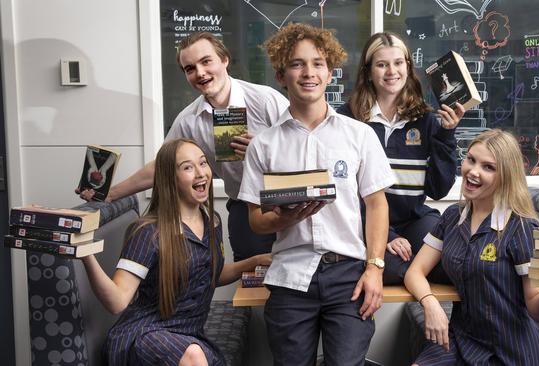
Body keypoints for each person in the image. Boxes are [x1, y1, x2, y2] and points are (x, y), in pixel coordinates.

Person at [238, 23, 395, 366]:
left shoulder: (359, 135)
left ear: (330, 72)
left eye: (318, 63)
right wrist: (284, 217)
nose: (308, 72)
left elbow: (377, 205)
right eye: (297, 64)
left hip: (349, 277)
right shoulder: (263, 145)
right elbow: (255, 222)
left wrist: (375, 268)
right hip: (289, 277)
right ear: (281, 75)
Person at [78, 32, 289, 261]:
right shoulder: (189, 120)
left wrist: (263, 150)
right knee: (251, 286)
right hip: (244, 209)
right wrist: (110, 194)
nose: (200, 73)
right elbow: (162, 165)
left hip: (289, 201)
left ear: (225, 60)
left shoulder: (266, 100)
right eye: (190, 68)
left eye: (206, 61)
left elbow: (303, 150)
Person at [80, 138, 271, 366]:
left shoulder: (212, 222)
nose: (201, 173)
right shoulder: (148, 232)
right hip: (145, 337)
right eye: (188, 167)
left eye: (203, 163)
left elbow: (208, 275)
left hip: (189, 335)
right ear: (169, 178)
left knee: (194, 353)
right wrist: (86, 255)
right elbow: (117, 302)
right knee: (193, 356)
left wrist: (256, 261)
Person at [404, 129, 539, 365]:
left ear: (506, 176)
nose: (473, 172)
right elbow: (414, 272)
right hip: (461, 339)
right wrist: (430, 303)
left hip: (511, 349)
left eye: (488, 167)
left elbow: (536, 310)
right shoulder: (452, 217)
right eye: (471, 160)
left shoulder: (520, 227)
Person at [338, 32, 465, 285]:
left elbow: (438, 190)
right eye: (382, 64)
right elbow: (345, 193)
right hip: (366, 223)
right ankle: (416, 277)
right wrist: (388, 237)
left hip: (415, 220)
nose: (391, 71)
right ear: (368, 71)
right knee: (391, 268)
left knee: (454, 263)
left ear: (408, 67)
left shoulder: (426, 119)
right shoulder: (348, 119)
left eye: (398, 63)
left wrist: (447, 135)